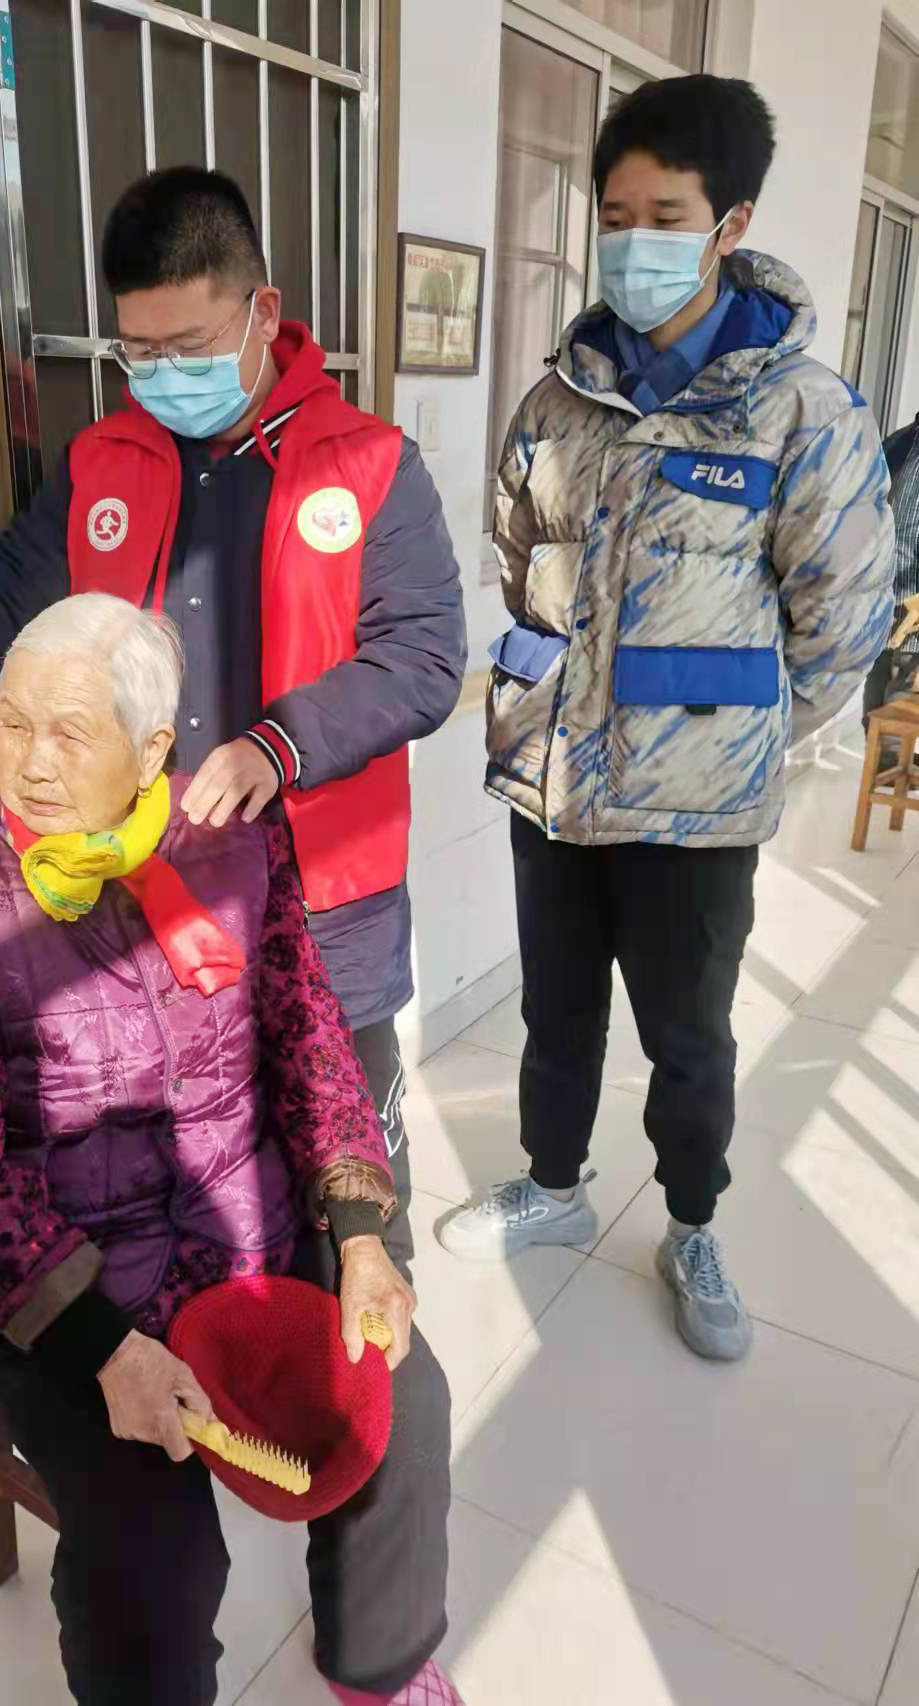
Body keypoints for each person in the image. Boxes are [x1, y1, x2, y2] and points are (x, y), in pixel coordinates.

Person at [0, 595, 458, 1706]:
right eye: (12, 724)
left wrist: (361, 1233)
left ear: (151, 752)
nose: (30, 761)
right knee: (153, 1557)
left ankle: (378, 1665)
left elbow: (308, 1034)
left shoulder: (231, 839)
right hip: (57, 1292)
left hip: (246, 1237)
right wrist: (100, 1345)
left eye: (69, 732)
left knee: (404, 1406)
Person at [0, 168, 467, 1262]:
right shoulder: (103, 463)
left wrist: (277, 744)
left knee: (350, 1195)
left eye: (188, 346)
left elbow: (422, 658)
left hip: (323, 906)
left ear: (262, 313)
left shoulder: (370, 465)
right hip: (155, 890)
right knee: (203, 1186)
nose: (162, 375)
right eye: (138, 352)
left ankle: (359, 1345)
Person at [440, 76, 895, 1361]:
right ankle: (554, 1180)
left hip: (694, 812)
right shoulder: (557, 396)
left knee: (688, 1038)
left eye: (664, 216)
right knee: (554, 1010)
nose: (631, 240)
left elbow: (843, 621)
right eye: (614, 214)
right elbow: (518, 552)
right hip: (552, 779)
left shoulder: (800, 411)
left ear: (729, 223)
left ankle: (692, 1221)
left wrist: (731, 737)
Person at [863, 410, 919, 729]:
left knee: (897, 733)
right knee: (874, 726)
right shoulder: (896, 444)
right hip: (881, 621)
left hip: (915, 635)